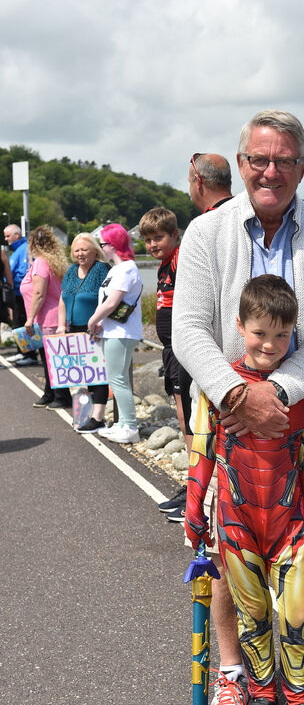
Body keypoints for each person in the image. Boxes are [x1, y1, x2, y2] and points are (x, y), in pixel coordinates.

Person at [173, 110, 304, 705]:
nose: (270, 170)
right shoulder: (206, 233)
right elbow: (188, 329)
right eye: (259, 159)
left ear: (302, 168)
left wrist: (278, 393)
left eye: (284, 160)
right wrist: (239, 395)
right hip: (230, 422)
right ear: (241, 165)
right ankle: (237, 672)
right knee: (237, 551)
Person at [185, 275, 304, 705]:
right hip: (237, 524)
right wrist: (193, 515)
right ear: (239, 327)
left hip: (292, 522)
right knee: (253, 615)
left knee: (295, 616)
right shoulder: (218, 389)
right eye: (259, 334)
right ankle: (260, 700)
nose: (270, 345)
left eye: (282, 336)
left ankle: (299, 704)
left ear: (294, 334)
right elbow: (201, 452)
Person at [138, 207, 193, 520]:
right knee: (183, 420)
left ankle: (198, 492)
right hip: (169, 350)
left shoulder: (179, 258)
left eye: (158, 237)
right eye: (147, 240)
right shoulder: (162, 266)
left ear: (175, 235)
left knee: (189, 422)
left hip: (183, 349)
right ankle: (192, 485)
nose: (152, 244)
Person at [87, 224, 142, 444]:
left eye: (103, 244)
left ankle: (129, 426)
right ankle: (123, 424)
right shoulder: (116, 269)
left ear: (113, 245)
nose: (101, 249)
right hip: (114, 330)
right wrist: (99, 321)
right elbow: (108, 302)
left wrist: (93, 320)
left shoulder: (127, 268)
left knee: (118, 379)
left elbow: (112, 302)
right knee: (116, 378)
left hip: (122, 331)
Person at [57, 233, 110, 432]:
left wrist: (99, 322)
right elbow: (63, 299)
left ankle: (97, 418)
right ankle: (85, 414)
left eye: (84, 249)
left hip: (95, 329)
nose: (80, 254)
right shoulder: (71, 271)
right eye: (76, 250)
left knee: (98, 373)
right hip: (73, 329)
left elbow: (109, 300)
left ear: (95, 251)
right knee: (82, 373)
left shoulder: (101, 270)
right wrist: (61, 325)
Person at [20, 226, 71, 408]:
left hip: (48, 318)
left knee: (53, 359)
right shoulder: (54, 261)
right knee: (50, 358)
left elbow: (39, 293)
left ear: (32, 244)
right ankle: (50, 393)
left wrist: (30, 319)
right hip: (53, 316)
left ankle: (62, 397)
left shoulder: (41, 263)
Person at [4, 223, 37, 366]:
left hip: (21, 294)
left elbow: (24, 273)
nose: (6, 239)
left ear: (17, 235)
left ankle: (29, 355)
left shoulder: (24, 249)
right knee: (18, 323)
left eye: (8, 236)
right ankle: (21, 352)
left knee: (24, 323)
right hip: (17, 293)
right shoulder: (17, 250)